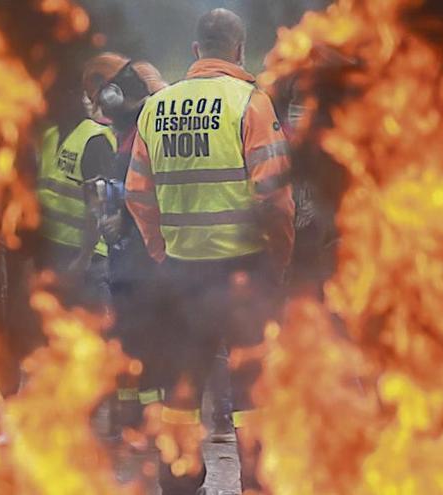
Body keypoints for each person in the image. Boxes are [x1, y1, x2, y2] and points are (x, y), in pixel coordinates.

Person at [126, 9, 295, 494]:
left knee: (179, 392)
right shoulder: (251, 103)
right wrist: (275, 264)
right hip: (244, 274)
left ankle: (179, 484)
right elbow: (275, 198)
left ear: (197, 52)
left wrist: (163, 251)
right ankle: (258, 485)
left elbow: (136, 194)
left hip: (181, 275)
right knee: (252, 395)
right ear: (239, 52)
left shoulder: (156, 108)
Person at [81, 53, 170, 433]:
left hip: (142, 258)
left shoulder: (142, 135)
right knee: (131, 341)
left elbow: (147, 195)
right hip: (127, 261)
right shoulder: (127, 136)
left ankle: (146, 420)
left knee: (145, 344)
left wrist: (122, 220)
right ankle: (132, 419)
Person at [35, 68, 116, 310]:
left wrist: (82, 260)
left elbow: (97, 205)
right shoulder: (50, 136)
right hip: (52, 253)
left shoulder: (95, 140)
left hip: (86, 261)